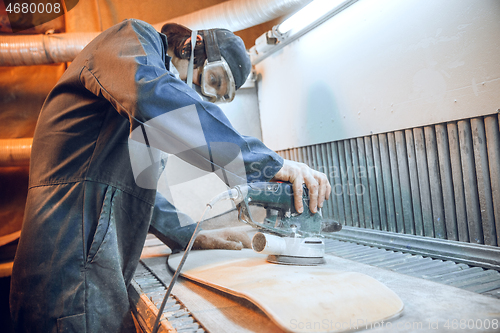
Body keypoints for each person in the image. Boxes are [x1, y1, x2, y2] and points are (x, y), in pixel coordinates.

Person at [10, 19, 331, 333]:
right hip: (67, 267)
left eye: (214, 94)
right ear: (193, 45)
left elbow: (135, 191)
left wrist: (191, 234)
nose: (200, 93)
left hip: (82, 265)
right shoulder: (133, 38)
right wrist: (265, 164)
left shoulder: (133, 111)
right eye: (212, 81)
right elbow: (153, 95)